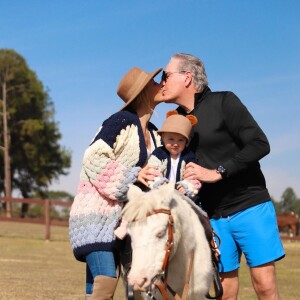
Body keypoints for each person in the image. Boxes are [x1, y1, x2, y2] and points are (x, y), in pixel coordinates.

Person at [157, 53, 285, 300]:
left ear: (187, 77)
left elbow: (260, 144)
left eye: (166, 75)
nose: (162, 82)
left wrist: (218, 172)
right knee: (223, 292)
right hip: (213, 217)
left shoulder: (225, 101)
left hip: (250, 206)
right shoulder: (175, 122)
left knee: (264, 285)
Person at [69, 66, 163, 300]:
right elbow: (93, 156)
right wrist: (133, 176)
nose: (160, 83)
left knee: (96, 288)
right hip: (96, 218)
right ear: (142, 92)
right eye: (153, 82)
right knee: (106, 280)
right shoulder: (120, 121)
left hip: (124, 224)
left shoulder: (155, 134)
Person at [146, 110, 201, 199]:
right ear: (163, 137)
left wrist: (187, 186)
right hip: (161, 194)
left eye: (181, 140)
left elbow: (193, 176)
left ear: (186, 141)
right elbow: (152, 170)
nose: (175, 144)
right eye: (171, 139)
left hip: (182, 197)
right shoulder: (159, 153)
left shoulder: (188, 156)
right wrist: (160, 182)